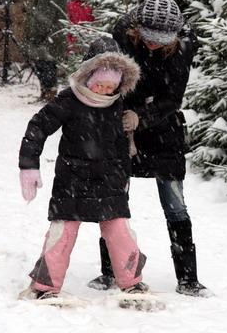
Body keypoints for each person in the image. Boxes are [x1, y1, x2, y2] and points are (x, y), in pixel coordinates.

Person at [87, 0, 211, 297]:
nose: (153, 45)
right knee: (115, 201)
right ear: (137, 29)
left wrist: (142, 116)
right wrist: (118, 114)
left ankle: (188, 278)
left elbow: (172, 99)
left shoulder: (182, 47)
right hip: (121, 128)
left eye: (160, 41)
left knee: (175, 205)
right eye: (148, 38)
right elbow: (107, 82)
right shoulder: (121, 39)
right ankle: (110, 271)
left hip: (165, 130)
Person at [17, 37, 147, 300]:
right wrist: (29, 165)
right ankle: (44, 286)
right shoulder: (69, 99)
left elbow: (120, 143)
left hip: (108, 180)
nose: (105, 91)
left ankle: (132, 283)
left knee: (120, 232)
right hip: (72, 180)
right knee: (62, 233)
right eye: (100, 84)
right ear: (88, 78)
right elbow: (38, 127)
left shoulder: (115, 103)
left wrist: (123, 176)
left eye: (111, 87)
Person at [24, 0, 67, 102]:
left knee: (46, 62)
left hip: (48, 30)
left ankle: (50, 92)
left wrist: (38, 31)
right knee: (43, 61)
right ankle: (46, 91)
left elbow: (46, 8)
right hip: (47, 28)